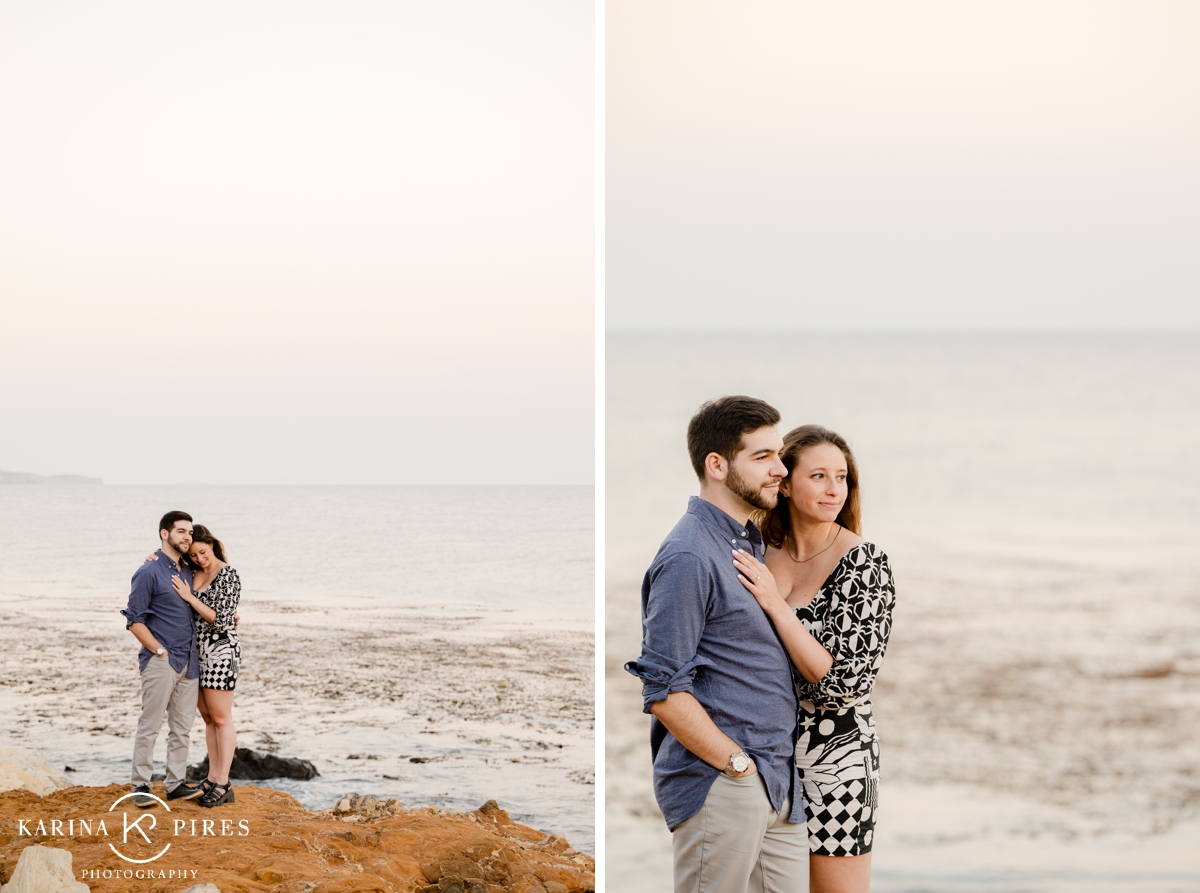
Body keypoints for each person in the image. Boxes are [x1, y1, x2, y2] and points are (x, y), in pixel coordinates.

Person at [624, 396, 806, 893]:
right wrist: (736, 765)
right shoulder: (689, 555)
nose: (781, 468)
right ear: (717, 465)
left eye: (780, 454)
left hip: (779, 783)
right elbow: (662, 690)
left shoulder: (747, 543)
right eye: (763, 456)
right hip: (727, 784)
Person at [731, 425, 896, 893]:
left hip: (836, 760)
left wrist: (777, 607)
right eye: (819, 475)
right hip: (765, 754)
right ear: (784, 483)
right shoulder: (757, 549)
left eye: (841, 477)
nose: (833, 489)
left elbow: (847, 684)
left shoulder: (865, 564)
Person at [121, 511, 205, 807]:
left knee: (182, 728)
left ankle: (175, 784)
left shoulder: (187, 570)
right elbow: (134, 620)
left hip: (190, 661)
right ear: (164, 534)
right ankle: (141, 785)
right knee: (151, 724)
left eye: (190, 533)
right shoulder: (148, 571)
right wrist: (158, 649)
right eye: (181, 531)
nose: (187, 537)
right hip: (162, 659)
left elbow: (213, 567)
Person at [168, 524, 242, 808]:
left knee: (222, 718)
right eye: (194, 554)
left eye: (203, 552)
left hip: (221, 651)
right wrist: (152, 557)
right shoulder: (190, 571)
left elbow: (222, 620)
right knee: (208, 719)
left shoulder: (229, 575)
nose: (200, 558)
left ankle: (223, 783)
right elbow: (168, 560)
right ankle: (211, 778)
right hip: (194, 652)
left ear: (212, 544)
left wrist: (190, 598)